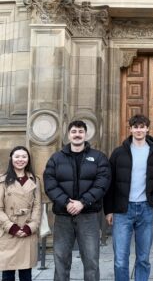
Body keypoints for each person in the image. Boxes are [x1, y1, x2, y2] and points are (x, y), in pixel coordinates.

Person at [43, 120, 111, 281]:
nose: (77, 134)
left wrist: (82, 202)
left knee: (91, 260)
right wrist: (67, 202)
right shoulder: (56, 158)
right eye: (74, 131)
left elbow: (102, 183)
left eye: (81, 131)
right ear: (69, 134)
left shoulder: (98, 157)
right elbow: (50, 184)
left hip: (89, 216)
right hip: (63, 216)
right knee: (61, 259)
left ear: (86, 134)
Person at [103, 114, 153, 281]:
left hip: (146, 209)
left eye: (142, 126)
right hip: (122, 210)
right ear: (130, 129)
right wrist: (109, 210)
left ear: (147, 129)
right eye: (135, 127)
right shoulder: (118, 153)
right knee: (121, 259)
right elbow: (110, 182)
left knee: (143, 258)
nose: (138, 130)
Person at [0, 146, 41, 281]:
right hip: (8, 232)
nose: (20, 159)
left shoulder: (34, 180)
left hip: (27, 231)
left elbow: (37, 207)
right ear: (11, 159)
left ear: (28, 159)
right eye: (17, 156)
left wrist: (31, 227)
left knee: (26, 274)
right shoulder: (2, 181)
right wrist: (11, 227)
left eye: (24, 156)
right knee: (7, 274)